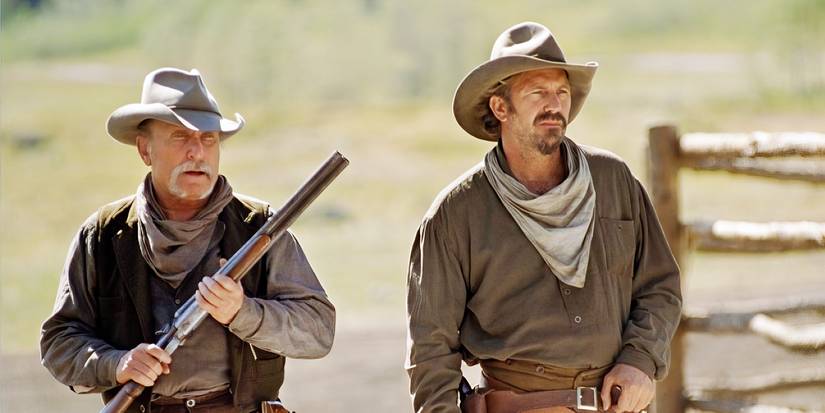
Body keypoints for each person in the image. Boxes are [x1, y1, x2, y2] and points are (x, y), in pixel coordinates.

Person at [405, 22, 682, 413]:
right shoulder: (454, 215)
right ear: (500, 108)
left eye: (562, 92)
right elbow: (430, 350)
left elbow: (660, 285)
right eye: (538, 92)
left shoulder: (614, 180)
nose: (554, 104)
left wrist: (640, 359)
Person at [40, 67, 335, 413]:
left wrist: (243, 312)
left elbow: (318, 331)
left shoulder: (260, 227)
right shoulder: (102, 234)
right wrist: (116, 364)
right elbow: (59, 343)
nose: (197, 151)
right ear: (145, 150)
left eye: (208, 138)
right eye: (180, 136)